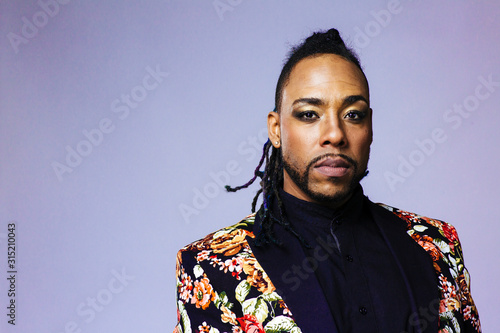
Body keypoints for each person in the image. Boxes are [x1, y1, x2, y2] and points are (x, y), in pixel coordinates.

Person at [174, 28, 481, 333]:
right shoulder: (210, 266)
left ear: (370, 127)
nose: (335, 134)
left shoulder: (435, 244)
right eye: (309, 114)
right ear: (276, 129)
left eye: (353, 115)